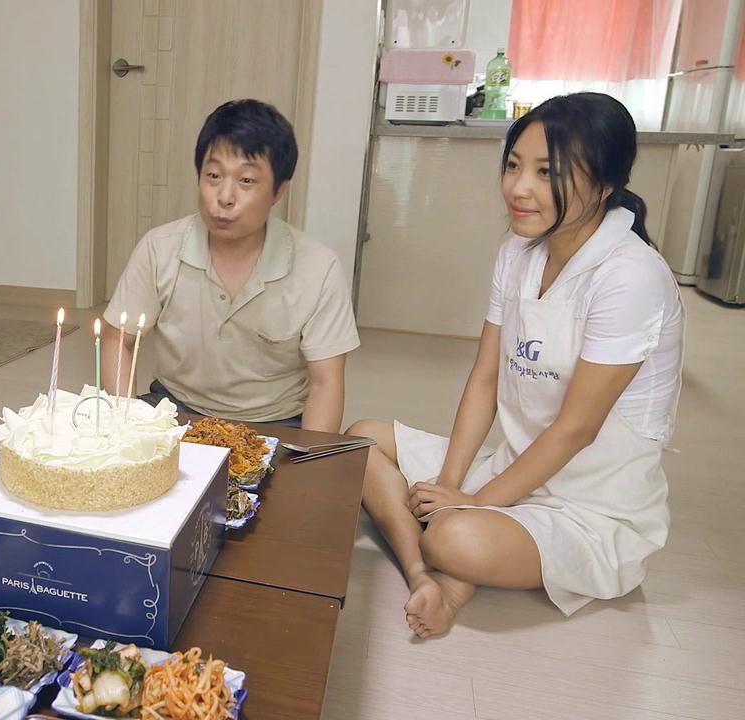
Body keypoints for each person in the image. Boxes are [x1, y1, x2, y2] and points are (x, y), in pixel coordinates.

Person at [350, 92, 684, 638]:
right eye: (512, 165)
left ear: (605, 184)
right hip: (512, 465)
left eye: (546, 172)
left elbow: (576, 429)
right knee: (360, 442)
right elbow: (485, 379)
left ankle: (449, 562)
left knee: (453, 537)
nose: (518, 188)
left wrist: (471, 507)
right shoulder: (518, 252)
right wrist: (449, 485)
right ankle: (425, 575)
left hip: (589, 506)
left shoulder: (631, 275)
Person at [101, 99, 359, 432]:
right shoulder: (160, 248)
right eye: (213, 176)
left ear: (279, 190)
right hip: (176, 409)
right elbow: (117, 340)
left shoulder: (318, 268)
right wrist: (127, 426)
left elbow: (326, 382)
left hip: (276, 421)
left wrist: (308, 455)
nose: (224, 197)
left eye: (246, 181)